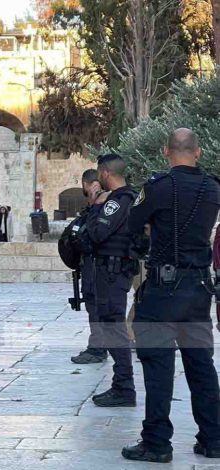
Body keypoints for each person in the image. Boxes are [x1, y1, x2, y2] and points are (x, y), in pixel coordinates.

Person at [123, 129, 220, 463]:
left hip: (163, 291)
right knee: (201, 366)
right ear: (199, 152)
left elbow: (132, 224)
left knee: (158, 367)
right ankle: (213, 438)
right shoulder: (213, 188)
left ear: (166, 152)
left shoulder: (158, 187)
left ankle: (157, 443)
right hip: (198, 290)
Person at [82, 154, 137, 408]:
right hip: (117, 272)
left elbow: (96, 233)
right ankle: (122, 384)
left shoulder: (116, 201)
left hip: (112, 274)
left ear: (104, 173)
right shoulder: (132, 198)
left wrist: (95, 205)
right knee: (112, 327)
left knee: (113, 328)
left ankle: (124, 387)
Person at [70, 169, 109, 365]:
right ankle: (99, 345)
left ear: (86, 184)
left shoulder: (101, 206)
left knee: (96, 307)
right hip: (92, 265)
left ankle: (97, 348)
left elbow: (95, 234)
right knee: (94, 306)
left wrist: (95, 203)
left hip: (96, 265)